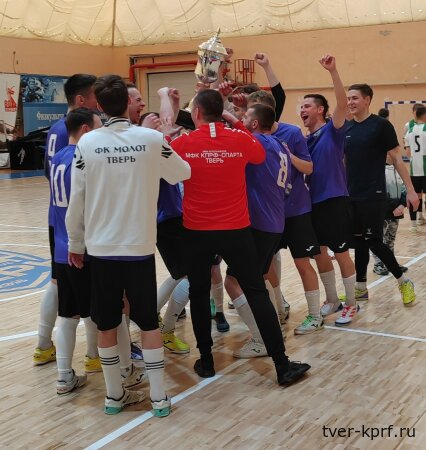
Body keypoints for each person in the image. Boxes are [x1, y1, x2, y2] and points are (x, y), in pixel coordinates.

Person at [66, 75, 191, 416]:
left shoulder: (87, 143)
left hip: (101, 249)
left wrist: (75, 242)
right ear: (127, 103)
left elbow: (77, 199)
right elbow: (182, 173)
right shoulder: (151, 139)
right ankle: (159, 397)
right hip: (139, 248)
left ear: (99, 106)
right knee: (148, 323)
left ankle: (113, 396)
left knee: (107, 324)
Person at [170, 88, 310, 385]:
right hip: (236, 230)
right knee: (256, 292)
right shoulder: (241, 138)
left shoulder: (183, 142)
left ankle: (206, 361)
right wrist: (234, 123)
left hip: (197, 231)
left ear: (196, 113)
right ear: (221, 112)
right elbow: (258, 154)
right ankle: (282, 365)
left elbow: (168, 168)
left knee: (198, 294)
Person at [246, 90, 323, 334]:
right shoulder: (251, 137)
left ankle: (315, 315)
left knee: (302, 263)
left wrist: (287, 156)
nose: (248, 116)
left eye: (251, 111)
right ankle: (278, 308)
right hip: (269, 213)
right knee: (266, 265)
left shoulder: (291, 132)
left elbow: (309, 167)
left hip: (296, 209)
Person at [34, 74, 97, 366]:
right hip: (69, 219)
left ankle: (45, 345)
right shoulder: (72, 133)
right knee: (67, 287)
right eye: (94, 97)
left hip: (59, 216)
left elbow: (50, 171)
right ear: (81, 100)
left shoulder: (58, 127)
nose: (98, 103)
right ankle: (51, 345)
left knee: (59, 283)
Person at [222, 103, 291, 357]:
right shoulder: (279, 144)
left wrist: (225, 114)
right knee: (259, 279)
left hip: (259, 223)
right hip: (274, 222)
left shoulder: (257, 142)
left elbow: (236, 132)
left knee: (233, 282)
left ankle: (262, 339)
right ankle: (274, 328)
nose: (241, 118)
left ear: (254, 124)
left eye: (246, 116)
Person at [345, 83, 419, 306]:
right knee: (358, 242)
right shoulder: (347, 128)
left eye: (355, 98)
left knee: (374, 241)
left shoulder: (381, 125)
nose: (350, 102)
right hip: (351, 194)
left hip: (373, 193)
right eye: (348, 98)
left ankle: (404, 281)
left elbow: (397, 159)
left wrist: (411, 191)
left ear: (367, 100)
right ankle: (360, 288)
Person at [300, 55, 357, 326]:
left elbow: (342, 103)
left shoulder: (333, 130)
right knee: (319, 253)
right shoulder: (303, 140)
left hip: (334, 200)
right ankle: (332, 299)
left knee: (342, 253)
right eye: (301, 106)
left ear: (320, 110)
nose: (302, 110)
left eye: (307, 106)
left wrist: (333, 71)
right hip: (312, 204)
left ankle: (352, 303)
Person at [50, 108, 102, 394]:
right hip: (80, 248)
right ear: (85, 130)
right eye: (98, 128)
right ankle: (113, 367)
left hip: (60, 248)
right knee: (97, 311)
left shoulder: (58, 157)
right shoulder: (83, 160)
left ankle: (64, 376)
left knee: (67, 314)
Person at [372, 156, 408, 275]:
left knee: (390, 239)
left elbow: (404, 188)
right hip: (382, 211)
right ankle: (378, 264)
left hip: (397, 211)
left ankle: (391, 263)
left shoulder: (398, 168)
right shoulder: (376, 168)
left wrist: (402, 205)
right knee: (378, 240)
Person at [405, 105, 426, 231]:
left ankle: (414, 224)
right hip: (425, 168)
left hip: (414, 169)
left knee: (416, 195)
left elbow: (407, 152)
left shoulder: (409, 131)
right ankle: (421, 217)